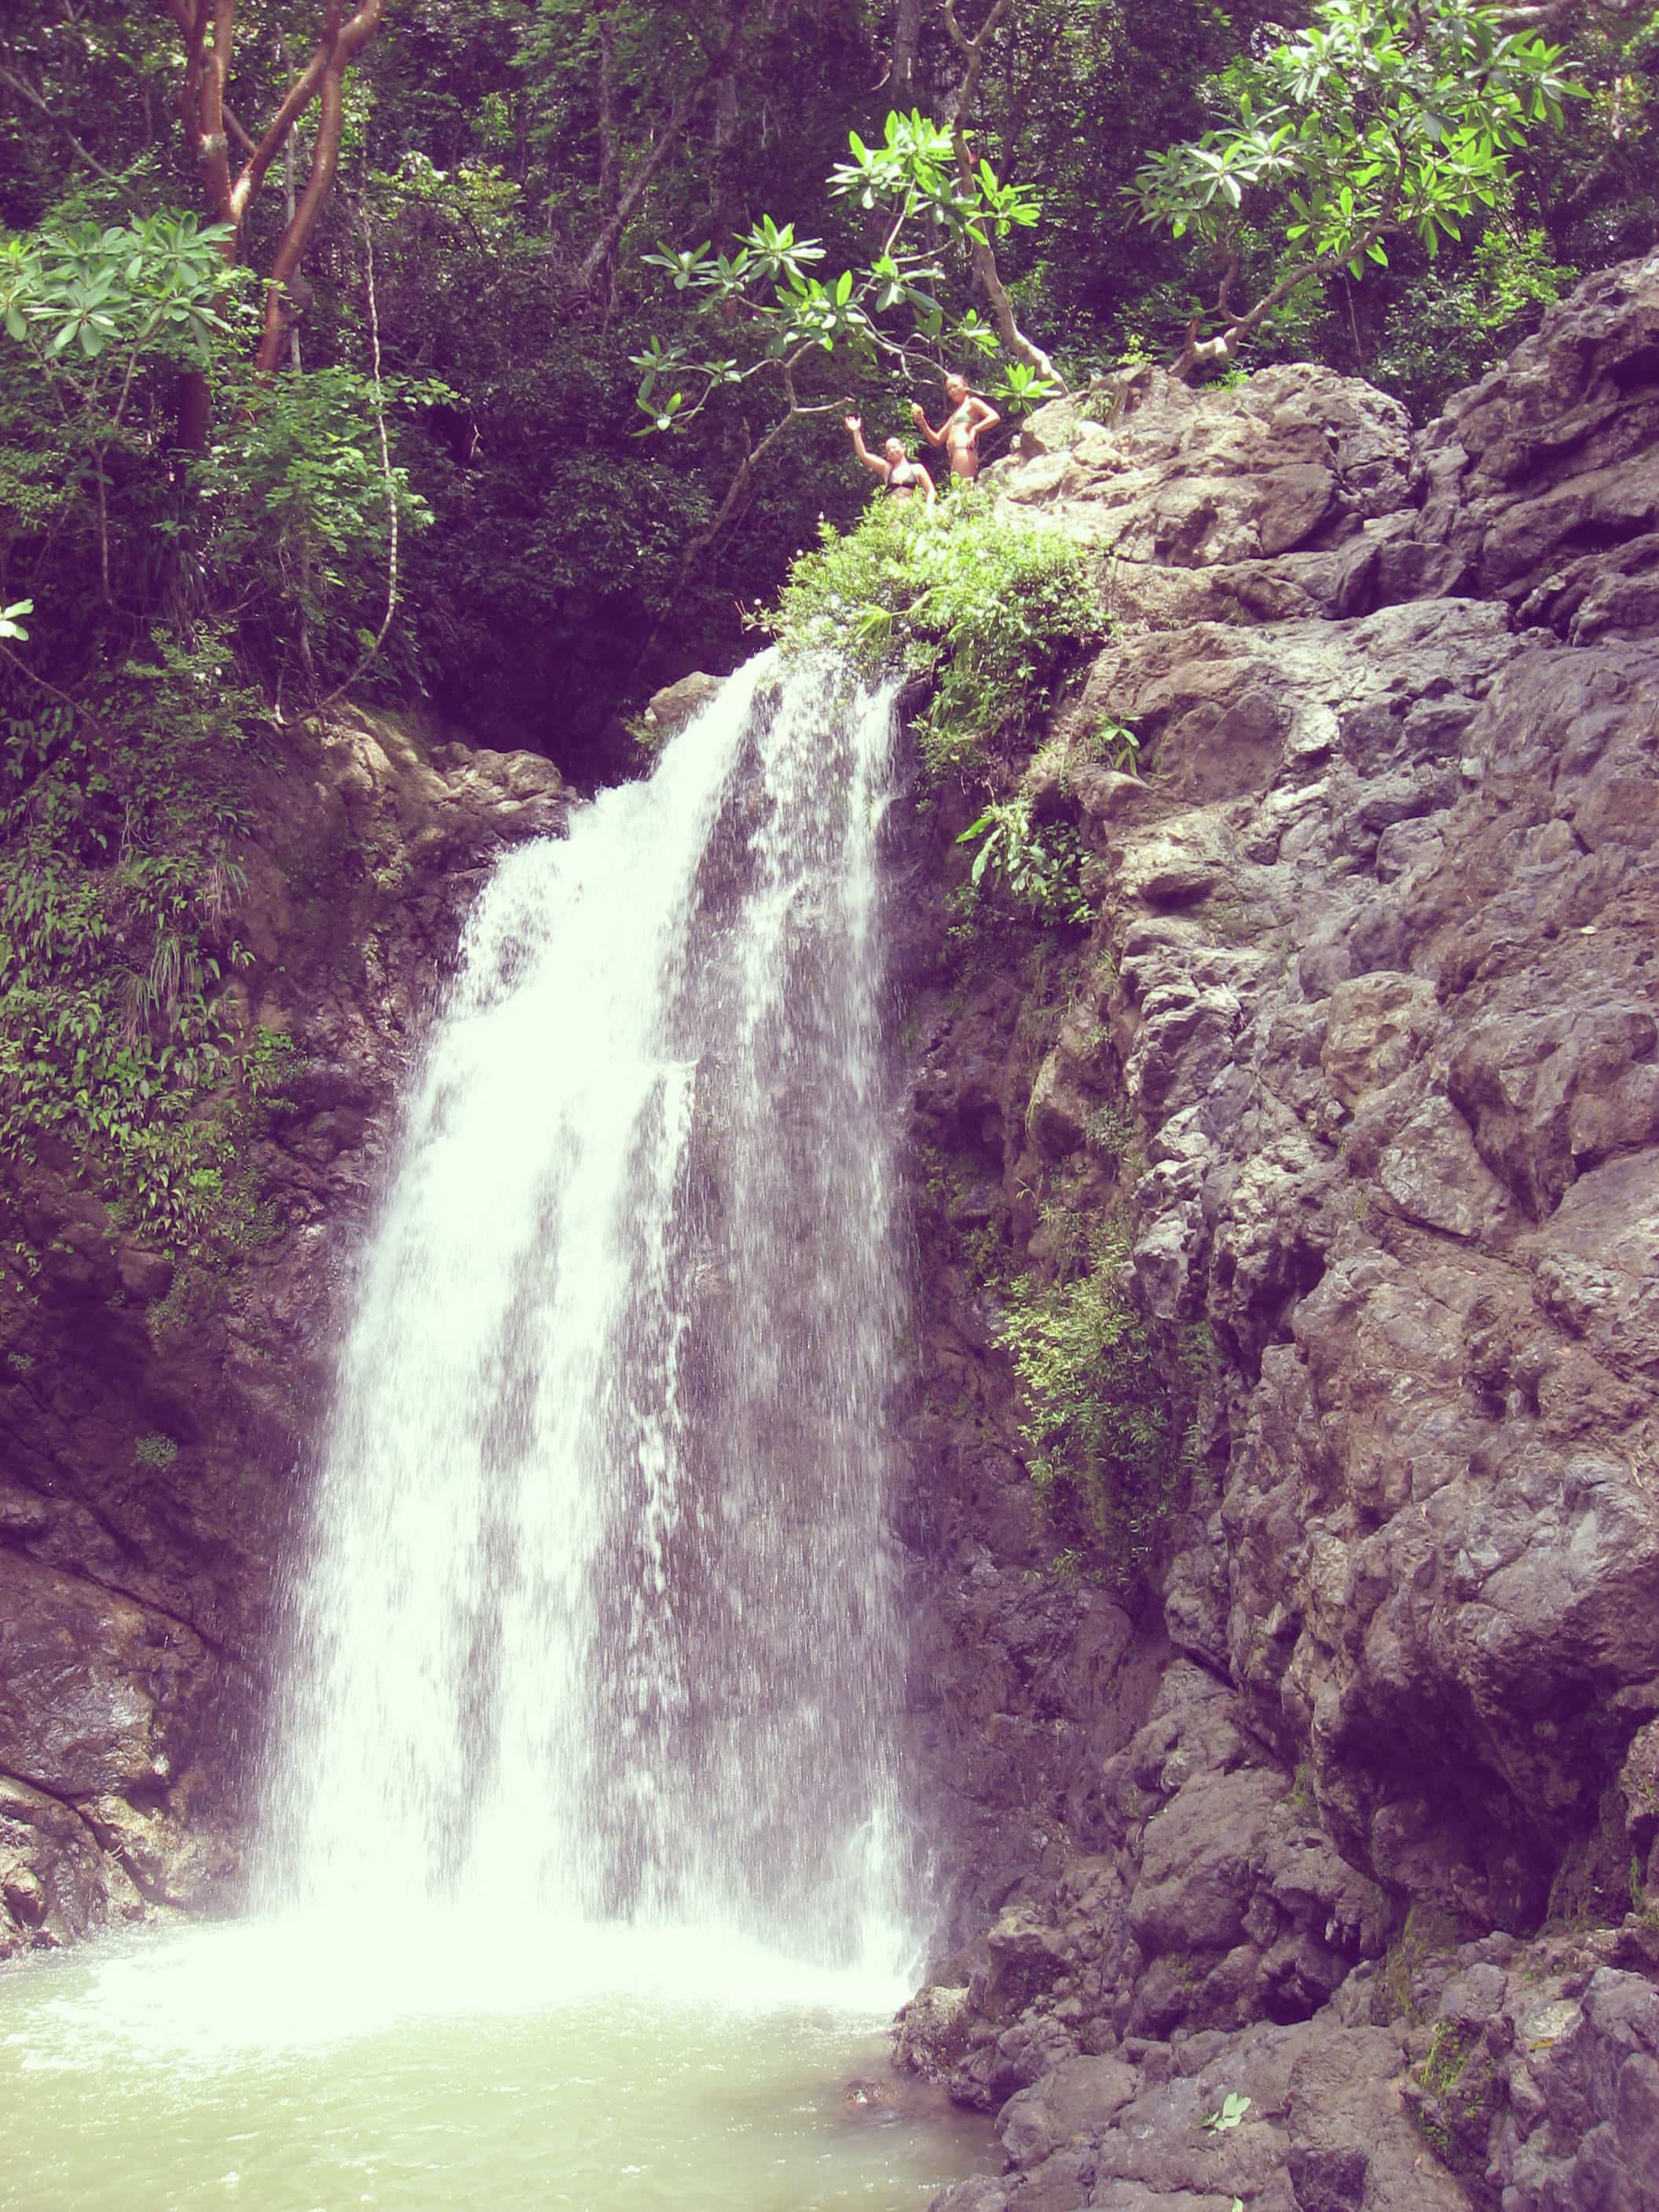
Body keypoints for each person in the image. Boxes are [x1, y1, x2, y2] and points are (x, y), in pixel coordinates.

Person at [910, 372, 1000, 481]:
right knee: (959, 491)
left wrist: (974, 429)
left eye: (955, 386)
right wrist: (922, 423)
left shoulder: (972, 403)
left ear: (965, 386)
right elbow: (937, 440)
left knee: (963, 490)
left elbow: (994, 417)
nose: (952, 390)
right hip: (955, 454)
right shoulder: (954, 415)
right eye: (949, 389)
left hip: (963, 450)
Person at [844, 416, 937, 504]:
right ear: (888, 455)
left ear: (903, 448)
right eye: (889, 450)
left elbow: (931, 491)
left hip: (913, 514)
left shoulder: (917, 469)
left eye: (894, 447)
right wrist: (856, 431)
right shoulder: (887, 469)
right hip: (894, 517)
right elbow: (863, 455)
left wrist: (929, 509)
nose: (892, 451)